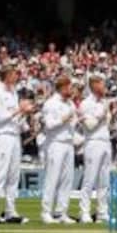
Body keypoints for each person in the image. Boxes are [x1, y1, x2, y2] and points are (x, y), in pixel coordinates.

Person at [0, 65, 33, 223]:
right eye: (13, 74)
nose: (16, 77)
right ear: (6, 76)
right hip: (2, 135)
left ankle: (10, 211)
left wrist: (24, 116)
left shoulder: (13, 92)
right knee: (0, 172)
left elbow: (14, 118)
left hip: (14, 135)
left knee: (13, 175)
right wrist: (19, 110)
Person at [40, 75, 77, 224]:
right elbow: (48, 125)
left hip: (68, 142)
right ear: (62, 87)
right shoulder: (50, 103)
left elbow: (73, 122)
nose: (71, 90)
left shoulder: (70, 103)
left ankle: (61, 212)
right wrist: (63, 119)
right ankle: (46, 212)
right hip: (55, 143)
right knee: (52, 178)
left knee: (67, 180)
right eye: (69, 87)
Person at [77, 75, 114, 224]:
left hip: (105, 141)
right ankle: (84, 212)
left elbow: (108, 124)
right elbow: (89, 126)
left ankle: (102, 212)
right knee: (89, 179)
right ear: (94, 85)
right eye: (102, 84)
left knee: (104, 181)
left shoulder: (104, 102)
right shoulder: (86, 104)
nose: (105, 87)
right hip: (92, 142)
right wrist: (102, 114)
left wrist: (109, 114)